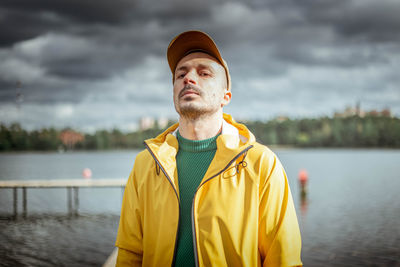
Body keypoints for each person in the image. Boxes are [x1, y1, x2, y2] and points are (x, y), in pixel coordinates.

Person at [115, 30, 302, 267]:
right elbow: (130, 254)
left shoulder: (262, 164)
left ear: (226, 96)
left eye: (204, 73)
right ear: (173, 91)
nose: (188, 78)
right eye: (180, 74)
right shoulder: (145, 164)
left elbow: (283, 259)